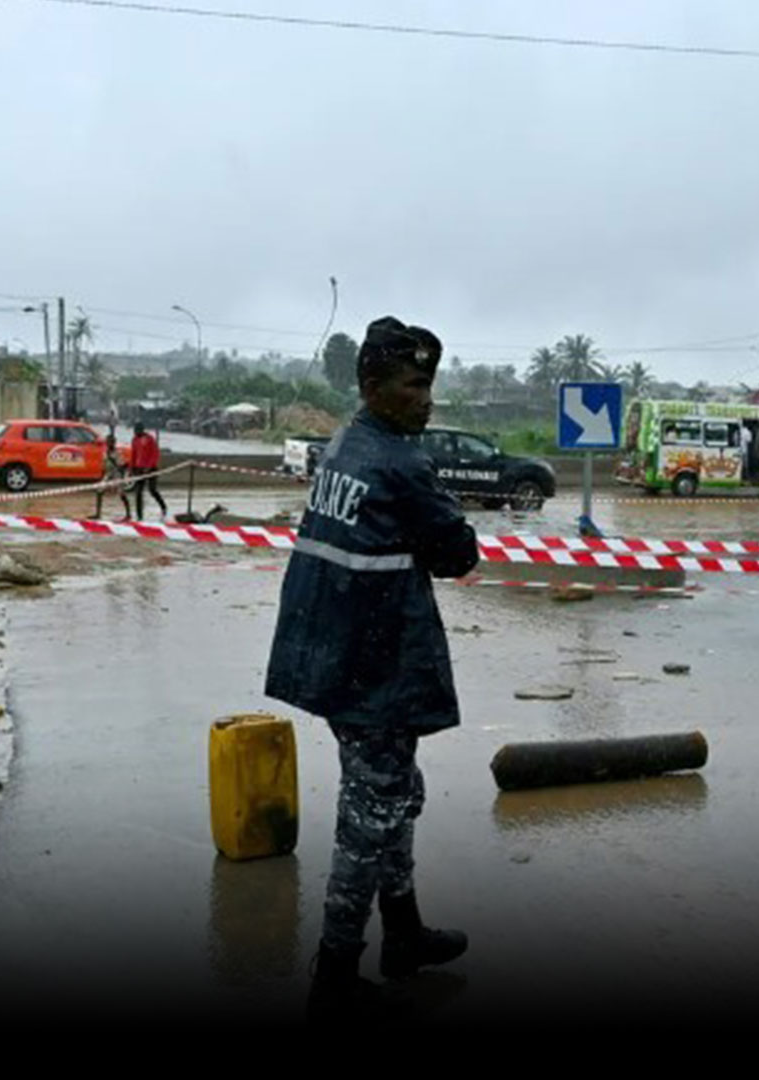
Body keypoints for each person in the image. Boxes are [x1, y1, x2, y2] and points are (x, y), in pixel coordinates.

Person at [264, 316, 480, 1022]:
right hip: (374, 667)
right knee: (372, 815)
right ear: (373, 386)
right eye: (415, 385)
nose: (427, 399)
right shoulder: (397, 461)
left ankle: (406, 932)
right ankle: (335, 973)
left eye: (430, 385)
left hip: (336, 658)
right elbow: (457, 553)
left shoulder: (345, 443)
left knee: (393, 795)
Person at [129, 422, 168, 521]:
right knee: (138, 492)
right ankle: (139, 516)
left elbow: (155, 454)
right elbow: (133, 454)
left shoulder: (150, 439)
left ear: (142, 430)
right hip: (139, 469)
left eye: (137, 430)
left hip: (151, 469)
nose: (136, 432)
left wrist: (149, 467)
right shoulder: (134, 440)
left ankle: (163, 507)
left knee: (152, 490)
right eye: (135, 431)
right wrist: (132, 468)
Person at [98, 430, 133, 520]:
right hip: (108, 474)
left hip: (117, 475)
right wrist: (102, 476)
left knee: (122, 494)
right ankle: (98, 514)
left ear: (113, 443)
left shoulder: (118, 453)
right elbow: (104, 465)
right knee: (99, 491)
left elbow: (122, 466)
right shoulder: (105, 453)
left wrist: (121, 478)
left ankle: (128, 514)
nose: (108, 443)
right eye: (107, 442)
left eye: (110, 442)